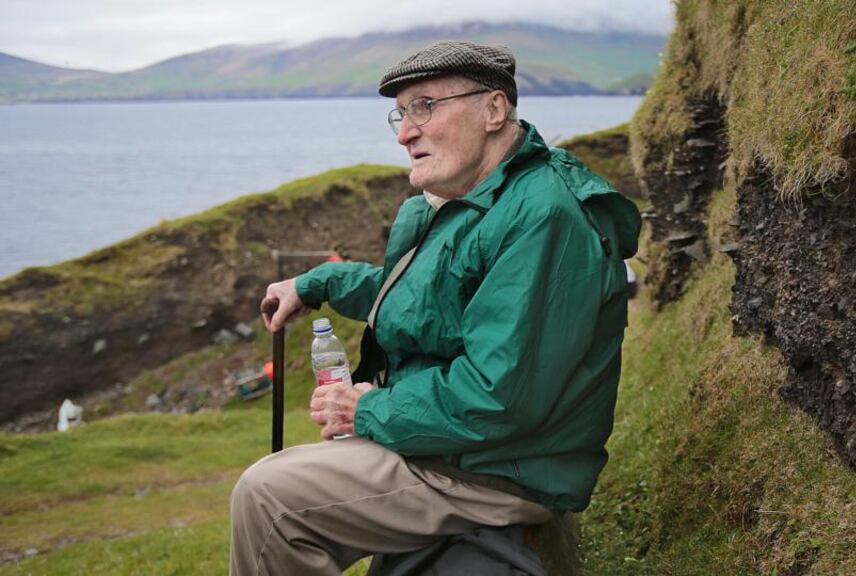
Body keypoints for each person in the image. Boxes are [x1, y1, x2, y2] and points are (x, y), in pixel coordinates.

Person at [229, 41, 641, 574]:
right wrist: (317, 283)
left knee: (268, 496)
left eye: (425, 106)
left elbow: (499, 397)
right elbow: (424, 299)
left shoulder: (541, 217)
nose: (404, 132)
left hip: (501, 468)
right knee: (275, 485)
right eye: (400, 114)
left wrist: (366, 409)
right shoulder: (476, 197)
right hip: (466, 448)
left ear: (493, 110)